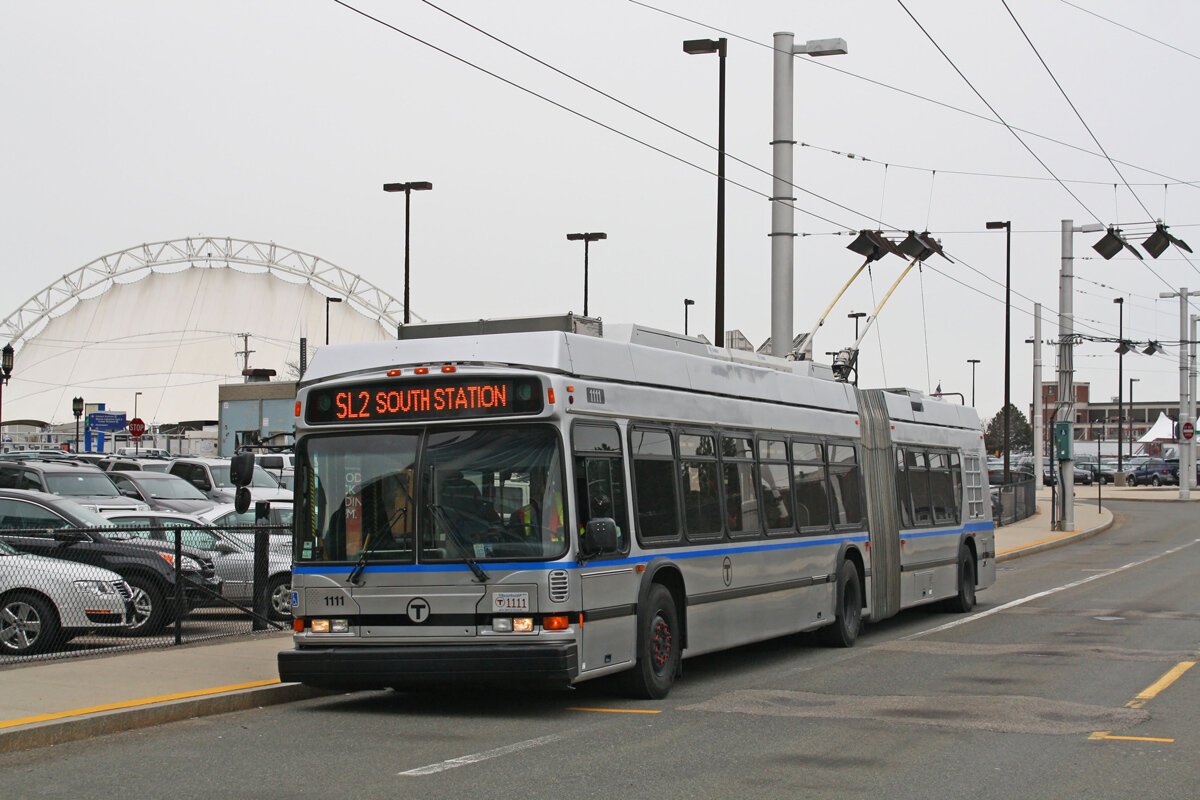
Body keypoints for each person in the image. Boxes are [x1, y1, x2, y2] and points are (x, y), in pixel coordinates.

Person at [509, 470, 564, 544]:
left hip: (563, 550)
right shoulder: (518, 515)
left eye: (548, 484)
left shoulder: (567, 504)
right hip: (533, 553)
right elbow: (514, 544)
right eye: (542, 484)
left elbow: (580, 538)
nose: (546, 488)